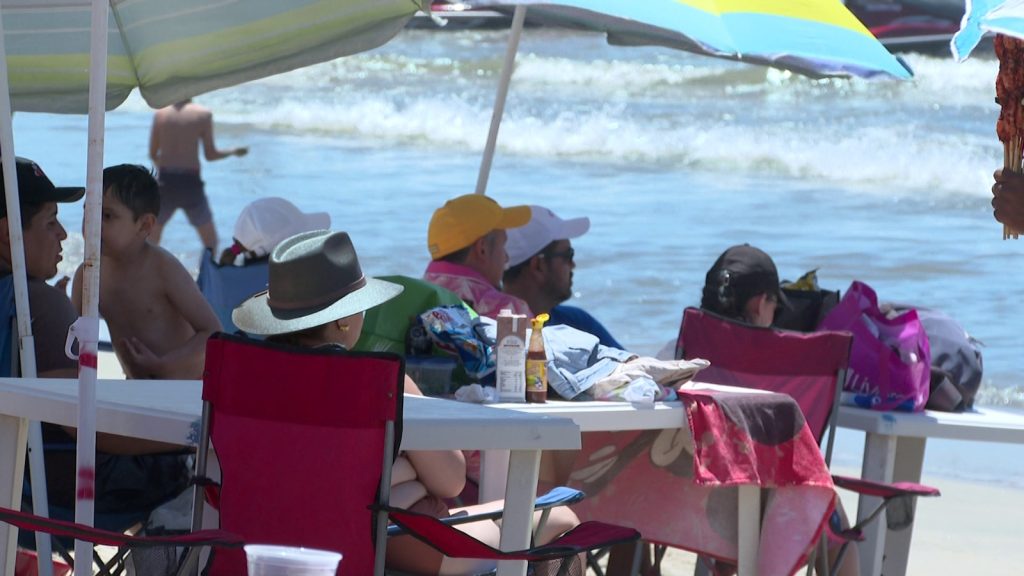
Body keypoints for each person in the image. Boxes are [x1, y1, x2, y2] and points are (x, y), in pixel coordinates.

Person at [232, 230, 583, 575]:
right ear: (342, 320)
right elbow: (451, 482)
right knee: (561, 518)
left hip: (268, 536)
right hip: (390, 540)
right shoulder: (382, 385)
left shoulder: (244, 384)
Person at [0, 157, 188, 523]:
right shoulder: (33, 303)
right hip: (68, 490)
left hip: (11, 487)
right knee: (208, 470)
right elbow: (83, 423)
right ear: (9, 234)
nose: (65, 235)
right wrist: (188, 438)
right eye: (51, 221)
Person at [698, 244, 860, 576]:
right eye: (775, 304)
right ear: (760, 303)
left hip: (700, 502)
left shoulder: (686, 350)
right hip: (782, 508)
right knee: (833, 514)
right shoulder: (784, 364)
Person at [71, 164, 222, 379]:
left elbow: (213, 332)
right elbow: (72, 338)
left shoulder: (163, 268)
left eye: (107, 215)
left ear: (144, 225)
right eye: (89, 212)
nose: (93, 224)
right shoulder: (88, 276)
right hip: (136, 385)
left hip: (188, 387)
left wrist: (165, 365)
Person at [503, 205, 623, 348]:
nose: (573, 265)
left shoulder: (578, 322)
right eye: (568, 255)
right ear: (538, 266)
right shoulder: (497, 337)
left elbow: (635, 366)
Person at [149, 99, 248, 252]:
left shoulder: (161, 114)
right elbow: (210, 155)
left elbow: (153, 154)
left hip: (166, 181)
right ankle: (206, 274)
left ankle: (148, 273)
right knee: (210, 242)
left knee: (151, 239)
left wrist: (165, 173)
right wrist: (233, 151)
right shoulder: (203, 114)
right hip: (190, 182)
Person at [423, 194, 532, 319]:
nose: (506, 258)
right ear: (482, 249)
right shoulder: (508, 310)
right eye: (503, 245)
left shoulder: (408, 297)